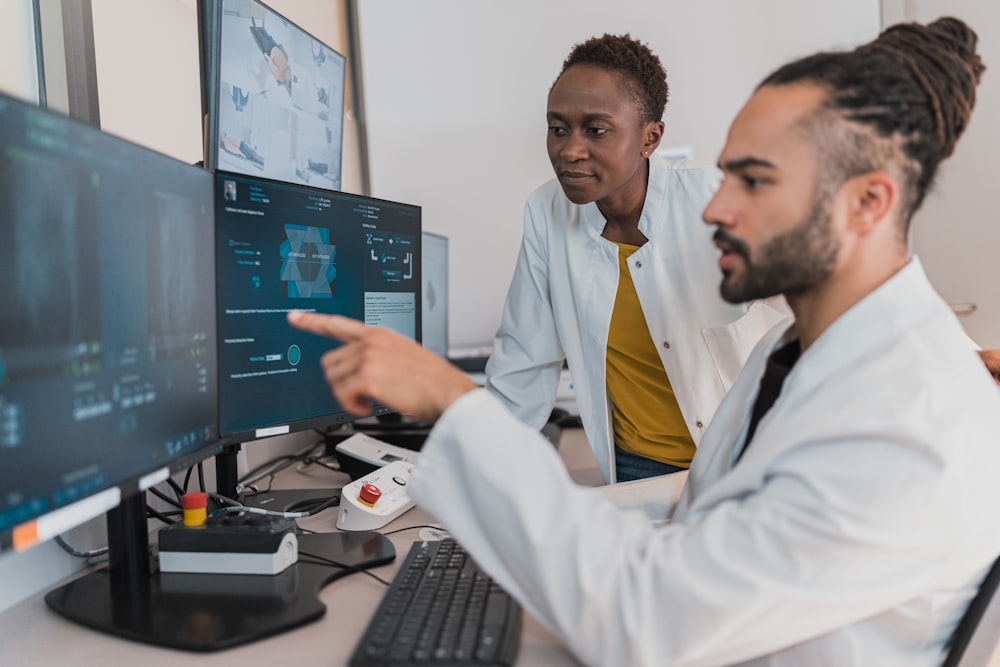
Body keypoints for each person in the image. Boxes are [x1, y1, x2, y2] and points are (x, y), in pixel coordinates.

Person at [290, 16, 1000, 665]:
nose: (715, 207)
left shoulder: (904, 416)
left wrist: (454, 403)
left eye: (753, 180)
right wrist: (493, 503)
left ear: (868, 202)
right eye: (726, 176)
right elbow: (702, 509)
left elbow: (650, 622)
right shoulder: (788, 354)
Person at [485, 34, 787, 484]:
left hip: (746, 463)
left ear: (650, 138)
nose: (570, 150)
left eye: (596, 129)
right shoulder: (547, 214)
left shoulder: (720, 199)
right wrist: (473, 480)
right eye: (558, 128)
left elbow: (814, 319)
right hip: (636, 472)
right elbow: (522, 366)